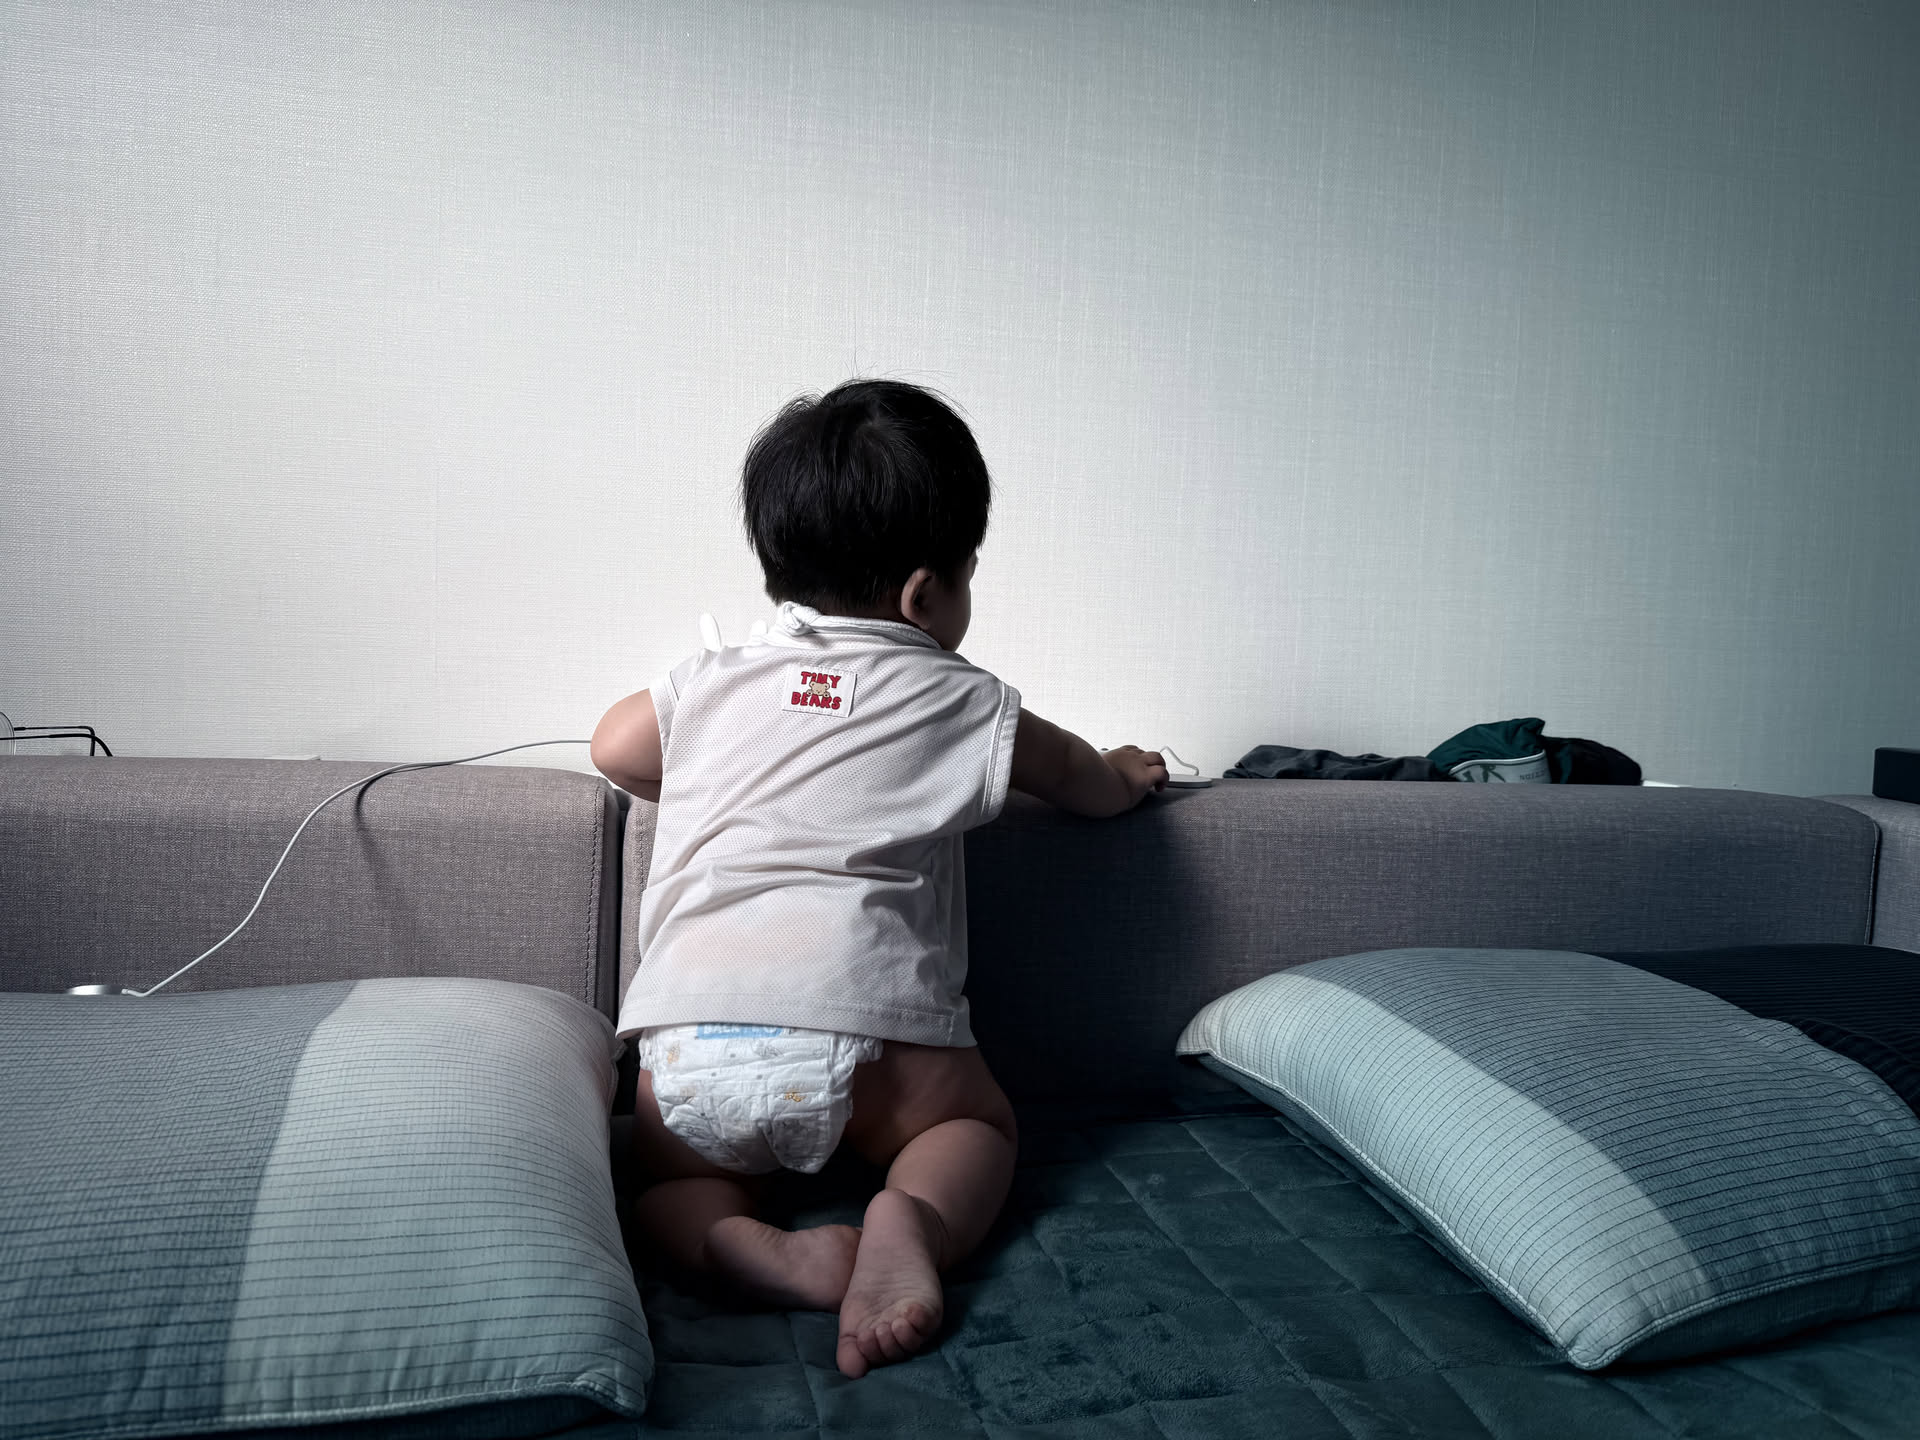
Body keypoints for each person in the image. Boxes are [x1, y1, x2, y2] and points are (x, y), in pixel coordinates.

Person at [590, 379, 1167, 1379]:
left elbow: (612, 748)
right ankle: (912, 1220)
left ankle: (736, 1243)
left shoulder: (713, 677)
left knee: (664, 1192)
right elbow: (1080, 780)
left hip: (688, 1046)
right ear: (924, 595)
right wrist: (1122, 773)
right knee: (974, 1126)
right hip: (872, 1037)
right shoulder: (960, 697)